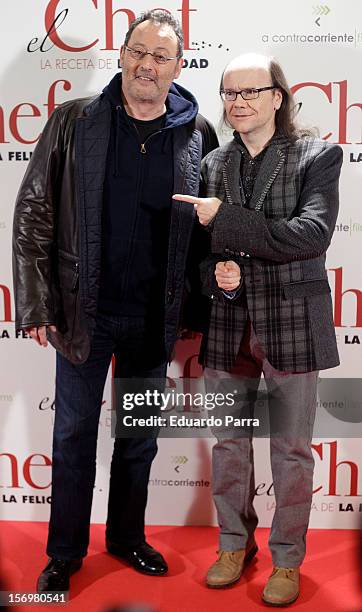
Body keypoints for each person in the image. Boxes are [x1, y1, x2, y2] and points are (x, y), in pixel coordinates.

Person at [12, 9, 218, 594]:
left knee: (139, 437)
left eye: (161, 57)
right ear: (122, 55)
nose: (147, 65)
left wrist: (198, 312)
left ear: (179, 66)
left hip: (154, 317)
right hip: (85, 312)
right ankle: (64, 552)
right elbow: (33, 213)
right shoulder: (76, 121)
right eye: (138, 52)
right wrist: (38, 304)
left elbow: (206, 232)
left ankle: (127, 537)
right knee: (73, 435)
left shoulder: (197, 133)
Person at [173, 52, 342, 606]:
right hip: (227, 326)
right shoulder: (214, 162)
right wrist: (217, 276)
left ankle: (288, 559)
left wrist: (226, 219)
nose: (238, 102)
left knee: (291, 451)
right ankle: (232, 543)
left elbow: (310, 236)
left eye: (250, 92)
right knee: (228, 445)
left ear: (278, 97)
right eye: (229, 93)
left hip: (293, 324)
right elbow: (199, 256)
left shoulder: (318, 156)